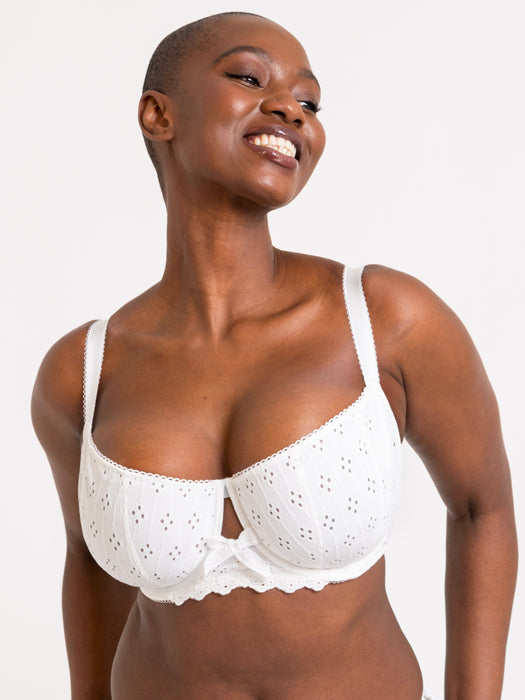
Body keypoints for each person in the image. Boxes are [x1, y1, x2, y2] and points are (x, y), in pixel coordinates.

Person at [31, 11, 517, 700]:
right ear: (158, 115)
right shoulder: (82, 371)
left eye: (310, 102)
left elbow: (482, 510)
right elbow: (89, 562)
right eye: (248, 77)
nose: (291, 109)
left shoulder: (383, 317)